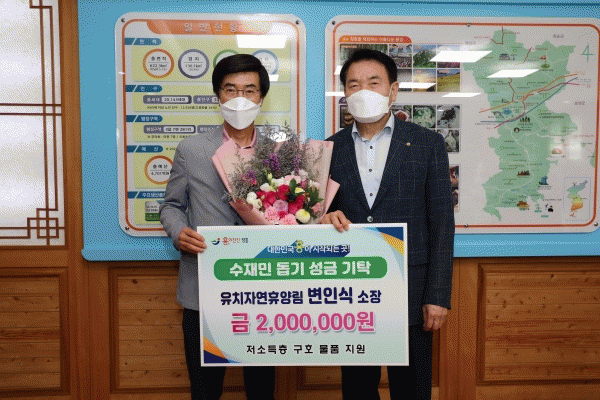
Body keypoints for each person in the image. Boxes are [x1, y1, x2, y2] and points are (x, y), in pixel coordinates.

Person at [322, 49, 455, 400]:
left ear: (393, 90)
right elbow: (317, 216)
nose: (363, 91)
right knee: (357, 390)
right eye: (354, 84)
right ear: (344, 93)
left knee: (412, 390)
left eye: (373, 82)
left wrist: (437, 296)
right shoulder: (329, 149)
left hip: (412, 293)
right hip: (353, 294)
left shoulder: (427, 144)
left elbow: (442, 224)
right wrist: (324, 218)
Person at [159, 54, 275, 400]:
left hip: (264, 289)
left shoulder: (280, 151)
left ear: (261, 97)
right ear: (218, 96)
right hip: (204, 286)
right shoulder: (192, 149)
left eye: (249, 90)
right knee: (205, 390)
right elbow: (171, 206)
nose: (240, 98)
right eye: (231, 89)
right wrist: (179, 232)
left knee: (261, 389)